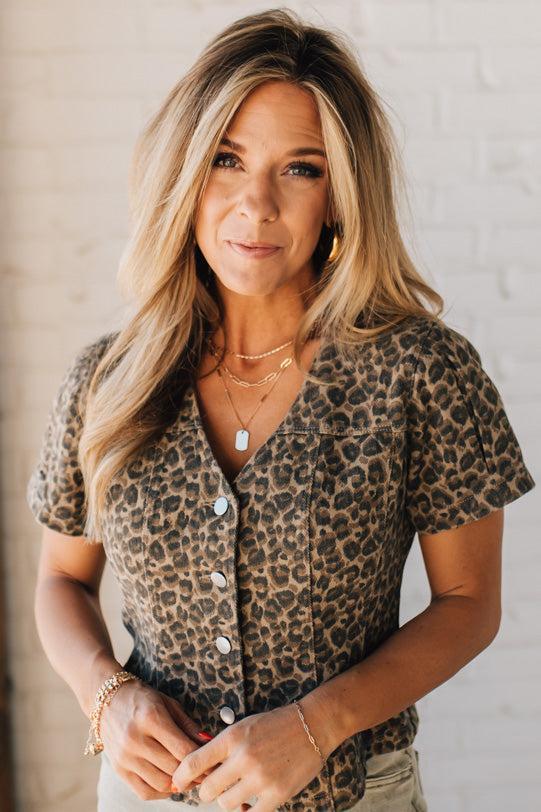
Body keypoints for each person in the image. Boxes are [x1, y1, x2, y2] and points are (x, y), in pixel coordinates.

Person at [26, 9, 535, 812]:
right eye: (228, 160)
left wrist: (314, 726)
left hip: (354, 795)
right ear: (186, 173)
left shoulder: (421, 374)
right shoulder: (106, 380)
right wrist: (107, 697)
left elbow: (469, 607)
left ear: (339, 195)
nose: (256, 204)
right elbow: (59, 579)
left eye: (301, 169)